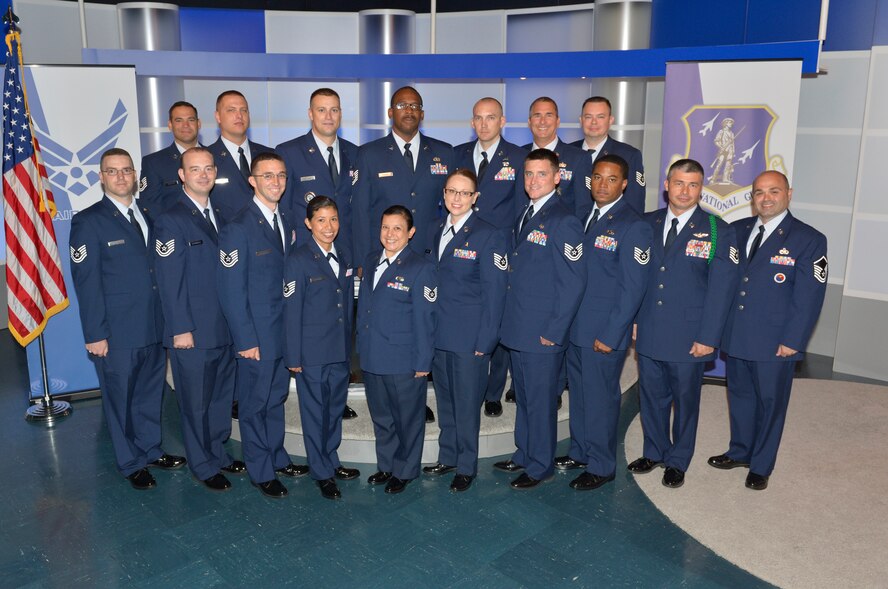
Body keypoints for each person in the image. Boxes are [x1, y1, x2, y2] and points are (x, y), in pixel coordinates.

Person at [69, 148, 185, 490]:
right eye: (113, 171)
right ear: (101, 177)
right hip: (115, 333)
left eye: (126, 171)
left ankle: (150, 449)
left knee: (150, 393)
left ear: (135, 175)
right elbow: (86, 284)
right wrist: (95, 334)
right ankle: (130, 461)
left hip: (152, 326)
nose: (121, 177)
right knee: (119, 401)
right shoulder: (88, 221)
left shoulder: (148, 213)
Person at [710, 170, 828, 490]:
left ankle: (761, 465)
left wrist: (793, 340)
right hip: (737, 335)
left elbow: (809, 298)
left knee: (771, 404)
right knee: (741, 397)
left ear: (789, 193)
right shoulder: (736, 230)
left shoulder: (808, 239)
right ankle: (740, 451)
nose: (766, 198)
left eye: (773, 191)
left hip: (776, 341)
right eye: (759, 192)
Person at [629, 158, 740, 489]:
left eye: (693, 185)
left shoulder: (719, 229)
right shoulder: (645, 223)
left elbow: (722, 290)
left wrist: (709, 337)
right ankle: (655, 450)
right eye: (679, 183)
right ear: (666, 185)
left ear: (701, 189)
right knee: (651, 396)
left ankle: (678, 459)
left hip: (690, 335)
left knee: (685, 401)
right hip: (649, 327)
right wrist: (634, 319)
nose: (685, 191)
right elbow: (635, 278)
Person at [352, 85, 452, 424]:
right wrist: (365, 261)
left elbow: (449, 208)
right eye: (401, 104)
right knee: (394, 327)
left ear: (422, 113)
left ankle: (419, 391)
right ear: (390, 113)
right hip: (386, 260)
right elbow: (361, 211)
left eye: (415, 105)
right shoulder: (369, 154)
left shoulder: (445, 153)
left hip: (428, 262)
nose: (408, 110)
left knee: (424, 327)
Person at [151, 147, 245, 492]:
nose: (203, 174)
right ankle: (202, 465)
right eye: (195, 169)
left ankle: (217, 452)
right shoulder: (170, 219)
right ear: (182, 175)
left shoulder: (221, 213)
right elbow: (169, 280)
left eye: (208, 168)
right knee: (195, 402)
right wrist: (180, 330)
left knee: (220, 397)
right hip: (192, 331)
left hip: (224, 327)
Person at [557, 154, 652, 490]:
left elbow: (632, 288)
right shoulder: (582, 217)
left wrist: (613, 334)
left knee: (601, 399)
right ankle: (580, 450)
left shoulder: (634, 225)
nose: (602, 184)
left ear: (624, 184)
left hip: (603, 332)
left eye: (611, 179)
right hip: (576, 329)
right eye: (597, 177)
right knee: (581, 396)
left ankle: (601, 465)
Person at [217, 152, 308, 498]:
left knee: (275, 398)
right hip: (255, 336)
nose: (276, 182)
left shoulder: (286, 218)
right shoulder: (238, 227)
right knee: (255, 404)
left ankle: (277, 455)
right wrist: (245, 339)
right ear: (252, 181)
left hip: (282, 332)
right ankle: (261, 469)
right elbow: (231, 291)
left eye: (281, 176)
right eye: (267, 176)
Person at [493, 149, 586, 489]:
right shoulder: (526, 212)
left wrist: (554, 331)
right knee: (525, 397)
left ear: (557, 176)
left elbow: (573, 282)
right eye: (529, 174)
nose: (533, 180)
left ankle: (540, 464)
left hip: (542, 332)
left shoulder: (564, 220)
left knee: (541, 400)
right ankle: (524, 453)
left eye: (541, 174)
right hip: (520, 327)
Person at [422, 169, 508, 492]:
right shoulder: (434, 231)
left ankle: (467, 465)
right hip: (438, 336)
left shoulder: (488, 235)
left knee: (467, 403)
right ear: (444, 195)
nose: (456, 198)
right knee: (445, 400)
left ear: (475, 198)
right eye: (451, 192)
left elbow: (495, 294)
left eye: (464, 193)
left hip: (469, 339)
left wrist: (485, 341)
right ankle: (448, 456)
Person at [276, 87, 359, 421]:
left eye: (335, 110)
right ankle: (318, 398)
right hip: (306, 260)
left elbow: (358, 212)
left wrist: (359, 259)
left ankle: (338, 396)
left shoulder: (355, 153)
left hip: (344, 259)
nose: (329, 116)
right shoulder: (289, 152)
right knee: (311, 328)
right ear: (310, 114)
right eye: (322, 110)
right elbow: (283, 210)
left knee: (342, 327)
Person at [453, 97, 528, 418]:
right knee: (463, 318)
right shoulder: (455, 155)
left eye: (491, 118)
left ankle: (493, 391)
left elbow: (521, 211)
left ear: (503, 121)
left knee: (496, 321)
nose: (484, 124)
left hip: (499, 255)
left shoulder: (518, 157)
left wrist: (514, 256)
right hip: (460, 253)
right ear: (472, 122)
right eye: (478, 118)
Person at [283, 196, 360, 500]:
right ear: (308, 224)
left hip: (339, 350)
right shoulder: (298, 259)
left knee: (333, 409)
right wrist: (294, 356)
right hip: (311, 353)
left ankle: (332, 458)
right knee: (315, 413)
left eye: (334, 220)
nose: (329, 227)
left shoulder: (341, 254)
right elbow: (292, 311)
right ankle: (321, 470)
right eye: (321, 220)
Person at [357, 205, 437, 495]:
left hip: (403, 359)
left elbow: (425, 319)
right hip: (372, 355)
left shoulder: (421, 268)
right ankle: (387, 465)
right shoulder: (370, 260)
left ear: (411, 233)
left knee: (408, 419)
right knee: (382, 417)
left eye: (397, 228)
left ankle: (405, 470)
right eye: (385, 227)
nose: (390, 234)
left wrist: (422, 361)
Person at [570, 96, 646, 214]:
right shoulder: (567, 152)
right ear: (581, 120)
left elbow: (634, 204)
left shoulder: (629, 155)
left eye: (600, 117)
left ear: (610, 120)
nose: (594, 122)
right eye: (588, 117)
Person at [207, 90, 274, 220]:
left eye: (244, 110)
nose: (239, 116)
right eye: (231, 110)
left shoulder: (269, 155)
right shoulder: (208, 158)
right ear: (218, 116)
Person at [523, 97, 591, 214]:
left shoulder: (579, 158)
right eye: (537, 115)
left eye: (549, 115)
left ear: (558, 121)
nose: (542, 121)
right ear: (529, 122)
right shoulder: (518, 154)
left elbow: (583, 208)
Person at [139, 101, 202, 214]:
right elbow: (150, 208)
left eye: (191, 120)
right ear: (170, 125)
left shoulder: (215, 156)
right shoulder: (153, 163)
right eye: (179, 120)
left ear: (199, 124)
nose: (186, 125)